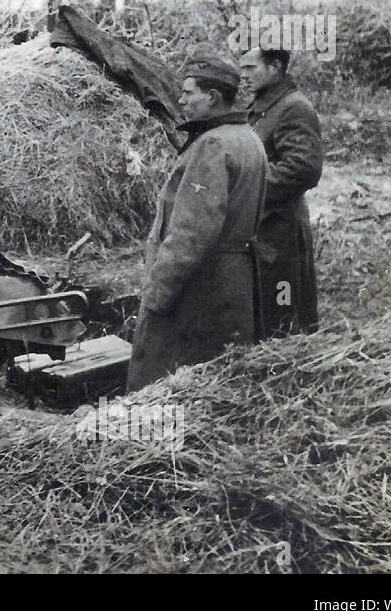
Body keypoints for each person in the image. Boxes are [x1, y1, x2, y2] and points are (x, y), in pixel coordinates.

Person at [127, 56, 268, 392]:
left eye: (189, 93)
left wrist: (157, 295)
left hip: (201, 289)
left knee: (166, 386)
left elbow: (191, 234)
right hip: (234, 284)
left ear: (213, 98)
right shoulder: (248, 137)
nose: (181, 100)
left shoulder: (213, 144)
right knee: (219, 386)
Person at [238, 48, 324, 336]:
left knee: (283, 314)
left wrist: (244, 187)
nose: (243, 75)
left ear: (275, 67)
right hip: (262, 225)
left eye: (251, 68)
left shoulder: (294, 107)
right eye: (242, 68)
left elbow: (303, 168)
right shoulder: (264, 107)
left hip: (280, 229)